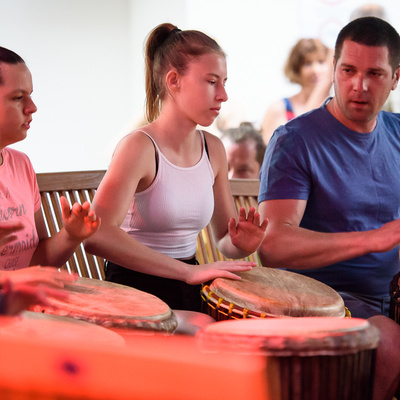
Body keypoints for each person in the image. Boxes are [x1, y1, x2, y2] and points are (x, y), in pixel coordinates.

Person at [257, 17, 400, 399]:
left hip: (393, 293)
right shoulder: (295, 140)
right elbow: (272, 245)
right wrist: (374, 239)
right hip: (322, 299)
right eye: (348, 70)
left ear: (395, 78)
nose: (360, 85)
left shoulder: (398, 132)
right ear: (334, 68)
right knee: (387, 339)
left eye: (375, 73)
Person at [85, 23, 268, 313]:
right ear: (174, 80)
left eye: (224, 82)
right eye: (211, 82)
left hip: (188, 285)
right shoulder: (139, 147)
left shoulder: (213, 149)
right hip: (135, 288)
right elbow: (96, 235)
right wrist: (187, 273)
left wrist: (242, 244)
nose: (223, 95)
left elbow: (223, 238)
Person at [0, 46, 100, 272]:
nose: (32, 108)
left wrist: (71, 235)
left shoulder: (21, 165)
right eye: (18, 97)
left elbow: (38, 262)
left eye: (30, 96)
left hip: (27, 304)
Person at [261, 38, 333, 144]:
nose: (316, 70)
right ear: (296, 69)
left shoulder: (337, 109)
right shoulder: (278, 109)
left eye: (321, 62)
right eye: (308, 63)